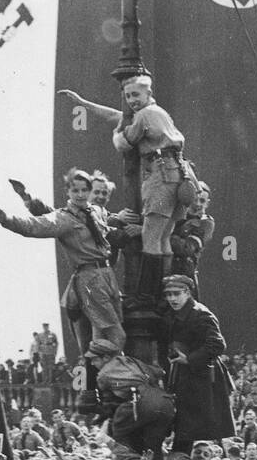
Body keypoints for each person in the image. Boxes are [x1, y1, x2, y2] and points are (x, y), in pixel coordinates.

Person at [59, 76, 198, 302]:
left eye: (136, 95)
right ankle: (163, 292)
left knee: (151, 238)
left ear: (147, 94)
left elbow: (124, 141)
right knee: (163, 239)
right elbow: (118, 116)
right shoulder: (157, 113)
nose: (132, 100)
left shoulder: (144, 115)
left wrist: (116, 134)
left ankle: (146, 296)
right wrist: (84, 103)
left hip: (160, 176)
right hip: (178, 176)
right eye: (128, 96)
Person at [0, 169, 126, 364]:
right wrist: (7, 220)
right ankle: (94, 365)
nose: (80, 195)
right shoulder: (64, 218)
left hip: (107, 275)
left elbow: (105, 232)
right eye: (75, 190)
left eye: (84, 190)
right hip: (90, 278)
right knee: (116, 337)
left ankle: (97, 371)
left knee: (109, 335)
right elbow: (36, 225)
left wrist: (129, 229)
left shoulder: (94, 212)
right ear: (67, 191)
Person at [160, 276, 235, 455]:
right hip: (184, 375)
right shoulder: (173, 314)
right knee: (187, 426)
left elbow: (217, 344)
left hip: (203, 377)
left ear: (187, 293)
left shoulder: (201, 314)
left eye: (176, 294)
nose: (172, 299)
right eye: (168, 294)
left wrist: (189, 359)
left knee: (196, 427)